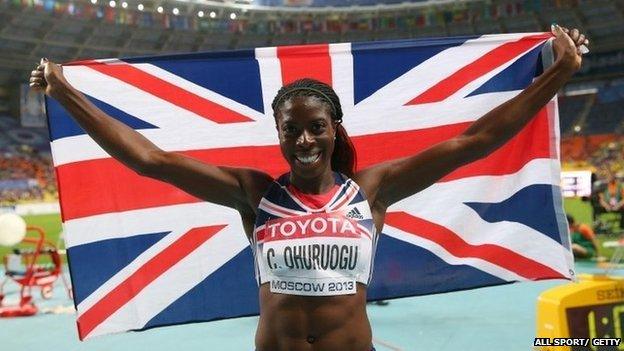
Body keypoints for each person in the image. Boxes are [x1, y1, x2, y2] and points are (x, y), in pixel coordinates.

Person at [30, 25, 587, 351]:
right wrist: (66, 92)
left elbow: (477, 140)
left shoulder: (374, 188)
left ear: (333, 129)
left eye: (315, 127)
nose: (304, 140)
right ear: (277, 132)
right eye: (290, 128)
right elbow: (148, 159)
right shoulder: (254, 193)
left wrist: (558, 73)